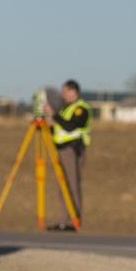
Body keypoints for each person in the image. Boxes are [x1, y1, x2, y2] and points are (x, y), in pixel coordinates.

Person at [42, 79, 93, 231]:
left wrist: (53, 115)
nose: (62, 94)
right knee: (63, 186)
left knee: (72, 184)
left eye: (65, 91)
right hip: (62, 150)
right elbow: (60, 129)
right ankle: (64, 219)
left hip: (72, 150)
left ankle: (74, 220)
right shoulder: (66, 108)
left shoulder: (81, 109)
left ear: (73, 91)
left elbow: (70, 126)